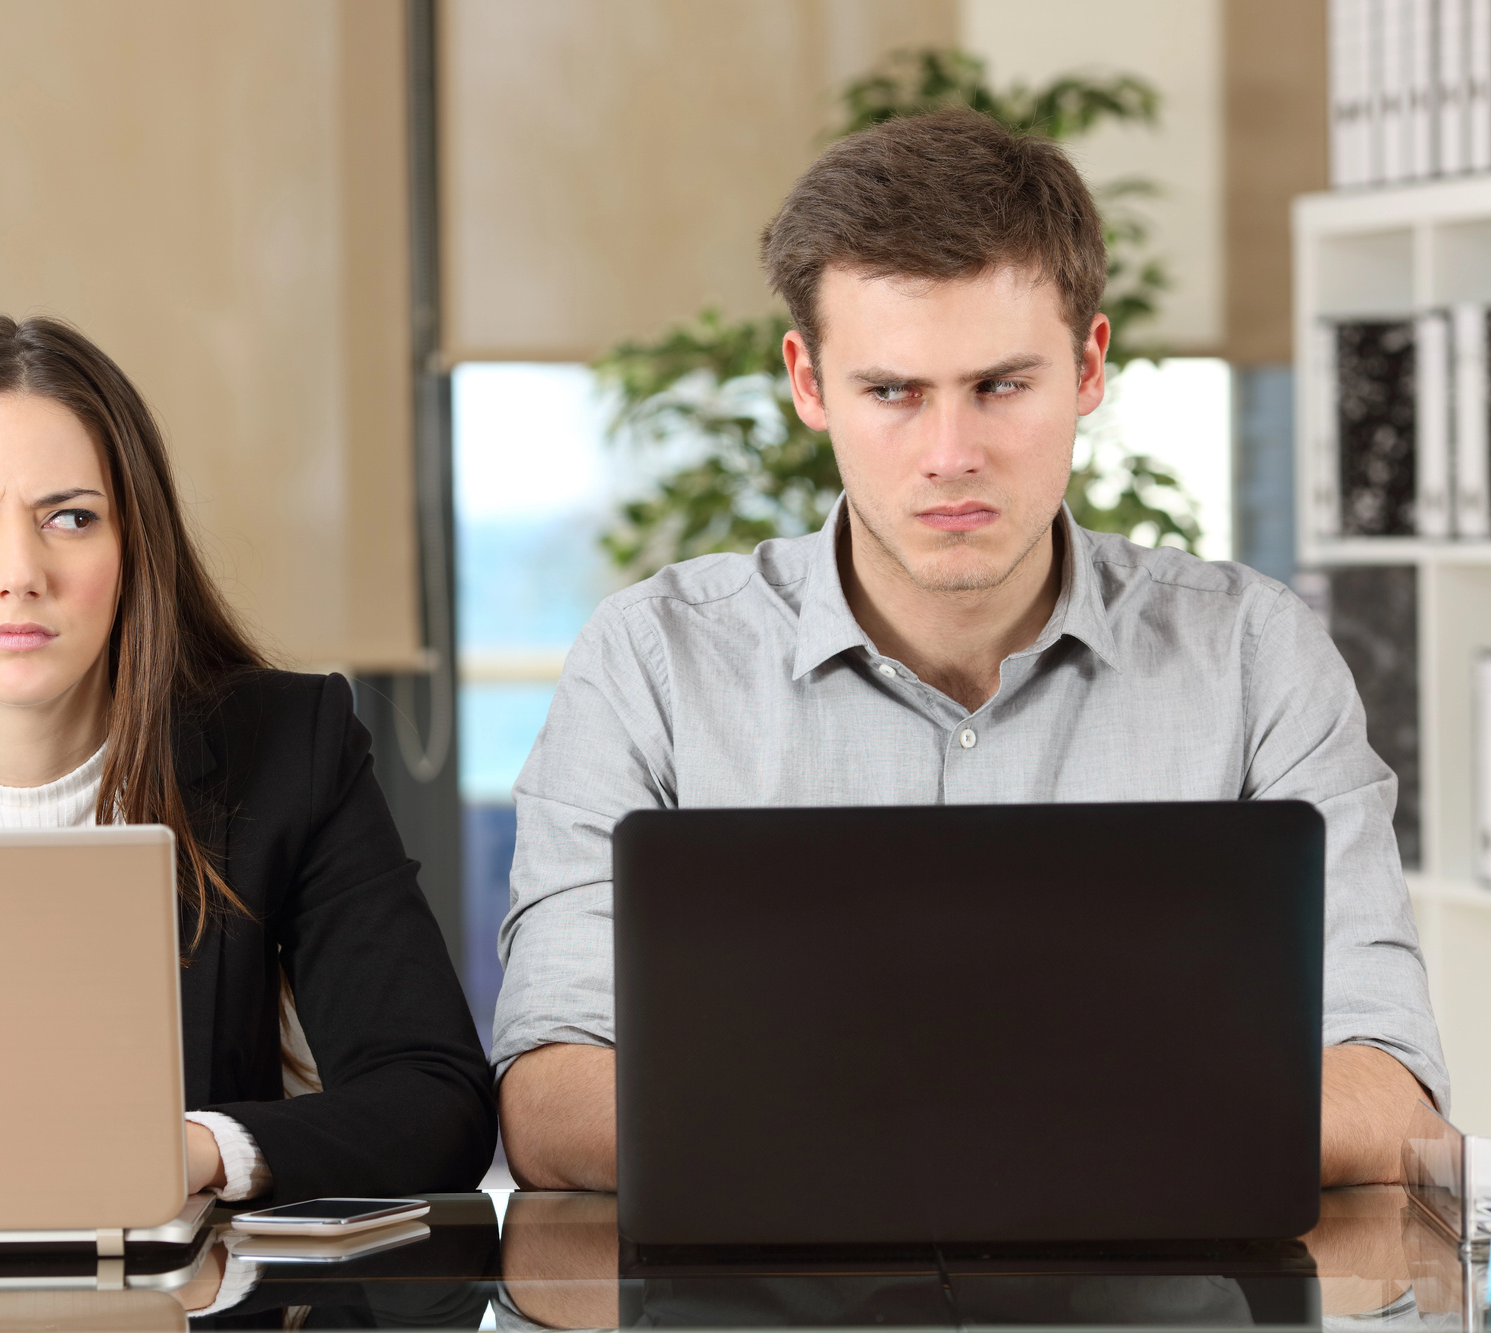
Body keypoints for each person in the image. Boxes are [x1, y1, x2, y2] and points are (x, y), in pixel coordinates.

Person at [493, 108, 1447, 1192]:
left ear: (1087, 367)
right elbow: (550, 1096)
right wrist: (1076, 1127)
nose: (949, 455)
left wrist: (879, 1131)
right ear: (807, 385)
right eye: (892, 391)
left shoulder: (1251, 653)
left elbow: (1386, 1087)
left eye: (1000, 386)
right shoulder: (651, 664)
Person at [0, 314, 495, 1204]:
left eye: (70, 517)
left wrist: (186, 1151)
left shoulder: (285, 747)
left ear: (135, 545)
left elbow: (435, 1101)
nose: (19, 571)